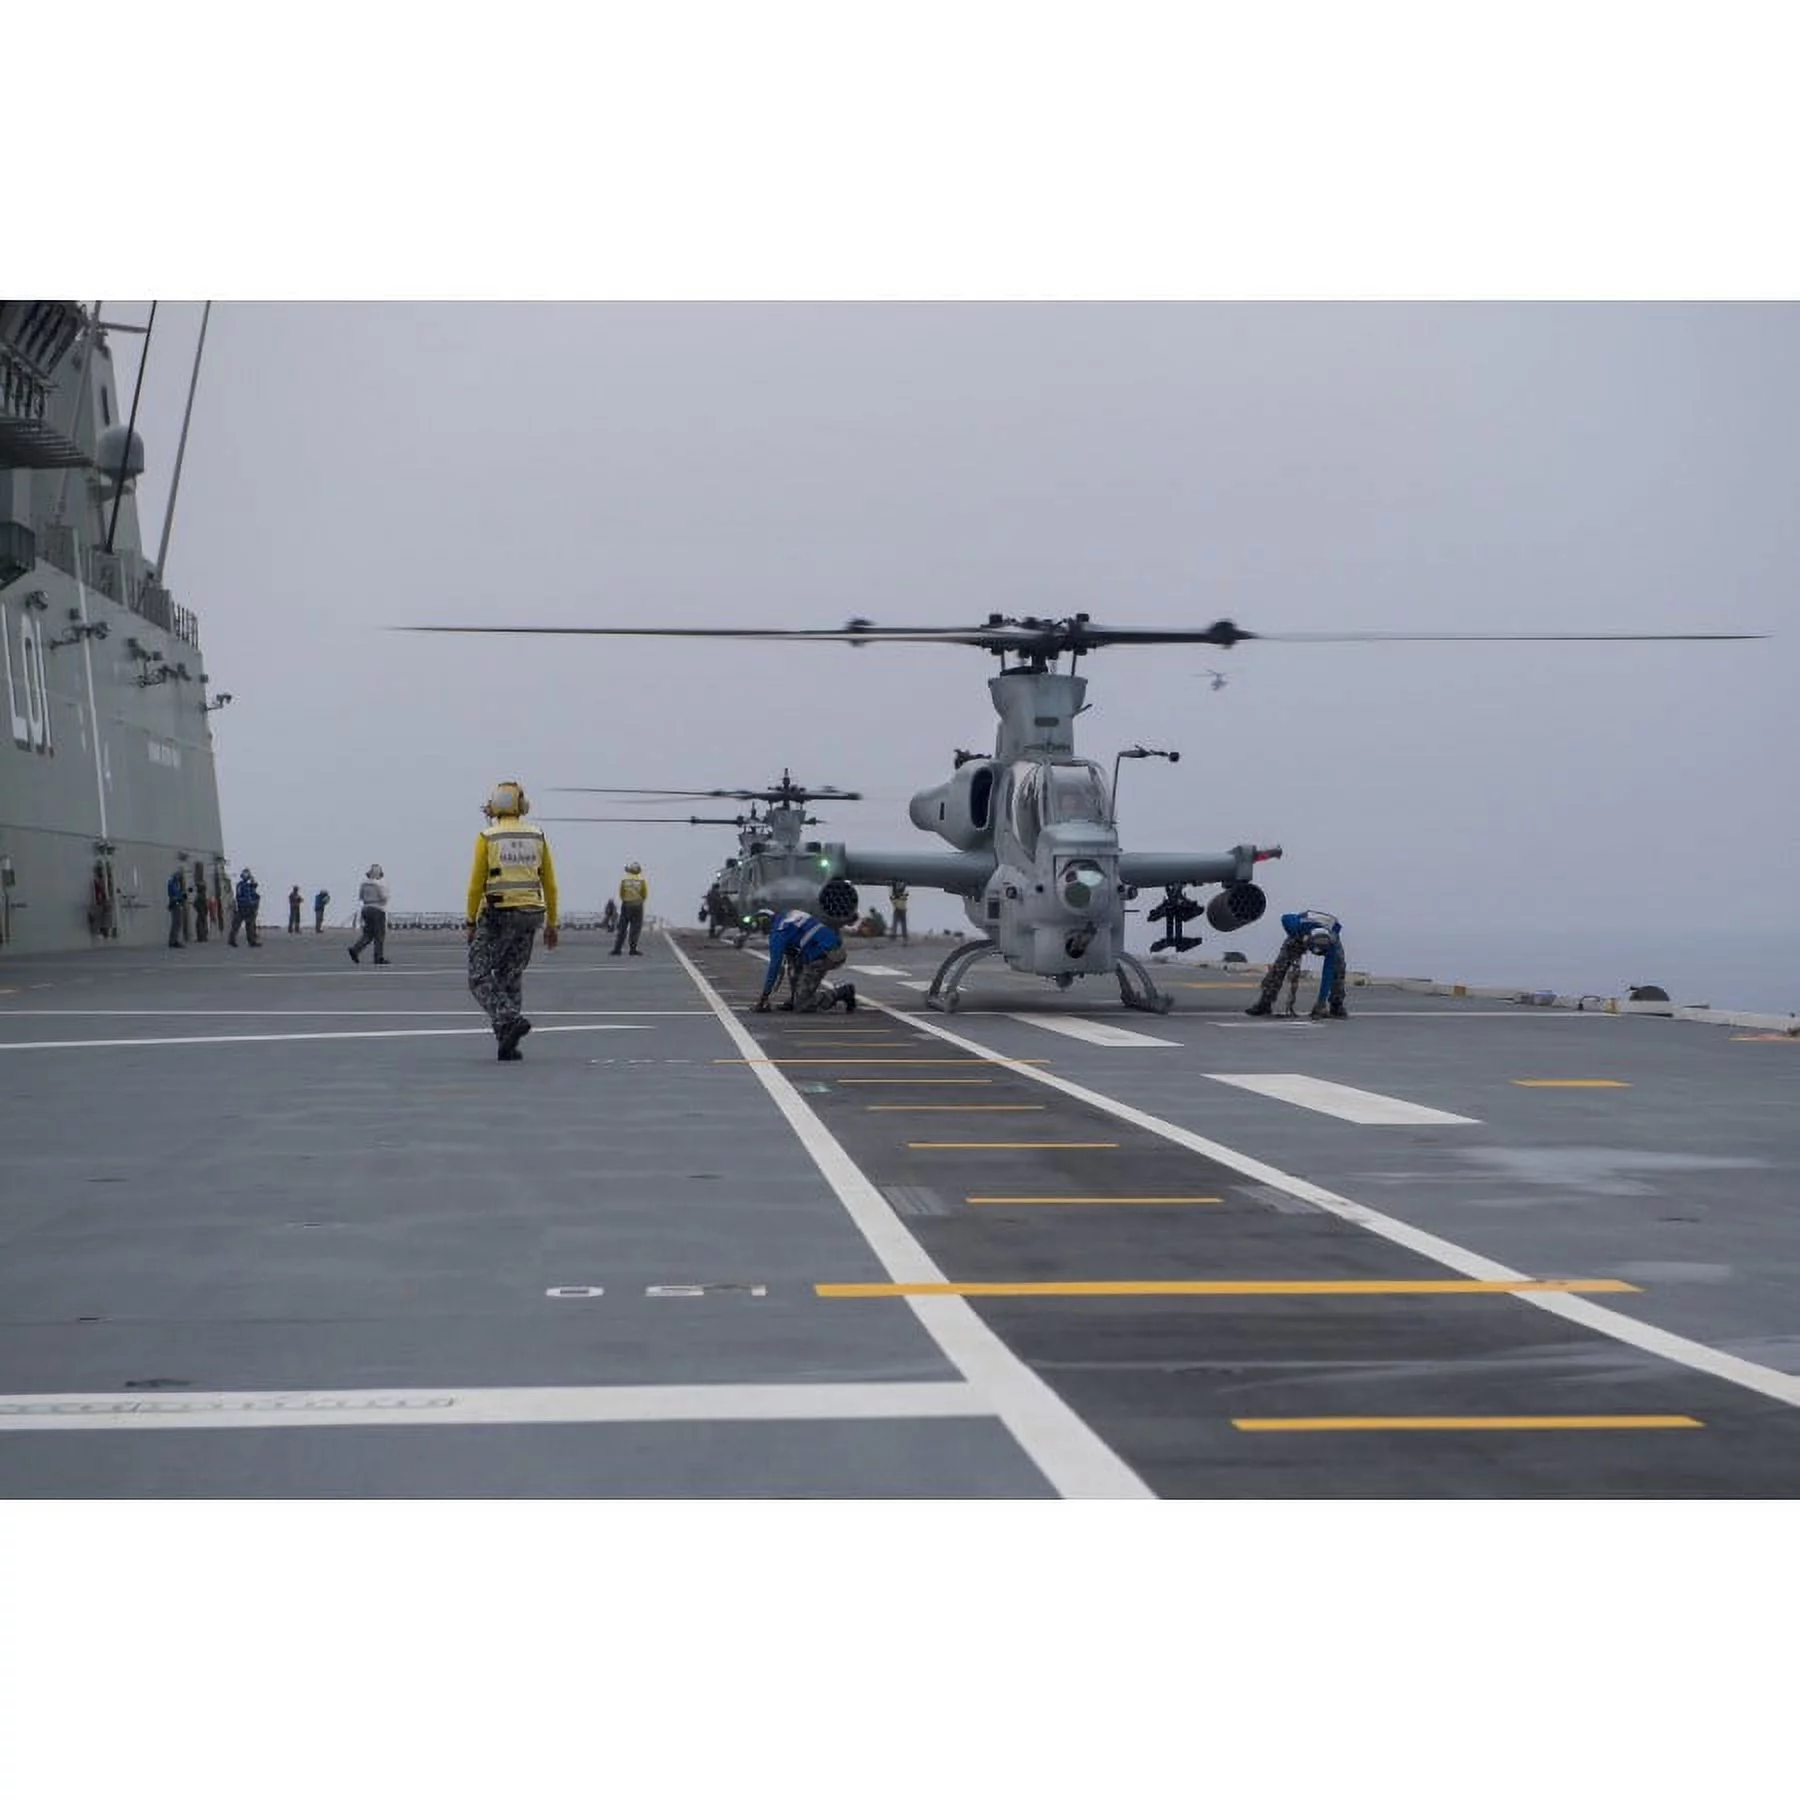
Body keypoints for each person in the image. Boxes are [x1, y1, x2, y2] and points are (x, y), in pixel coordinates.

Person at [466, 779, 558, 1061]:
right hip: (532, 913)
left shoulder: (488, 837)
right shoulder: (537, 835)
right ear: (522, 807)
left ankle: (508, 1018)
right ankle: (507, 1043)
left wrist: (470, 921)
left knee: (479, 975)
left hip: (498, 913)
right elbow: (550, 884)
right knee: (511, 975)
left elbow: (475, 884)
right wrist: (552, 923)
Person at [1246, 909, 1348, 1019]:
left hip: (1323, 936)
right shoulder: (1296, 925)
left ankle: (1336, 1004)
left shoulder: (1332, 944)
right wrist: (1297, 936)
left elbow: (1327, 973)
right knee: (1280, 966)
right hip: (1300, 935)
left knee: (1338, 969)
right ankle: (1264, 1002)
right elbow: (1285, 917)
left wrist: (1321, 1002)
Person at [753, 908, 855, 1014]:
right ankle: (794, 998)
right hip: (832, 948)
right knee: (793, 961)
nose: (761, 930)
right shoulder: (791, 915)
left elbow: (775, 967)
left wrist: (764, 996)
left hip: (826, 955)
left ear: (765, 922)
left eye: (760, 926)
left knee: (803, 1004)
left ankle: (842, 992)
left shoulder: (779, 932)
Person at [347, 864, 391, 965]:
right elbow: (383, 897)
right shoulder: (379, 885)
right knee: (379, 935)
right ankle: (378, 957)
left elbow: (361, 896)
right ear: (379, 873)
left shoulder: (364, 884)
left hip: (366, 909)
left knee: (368, 934)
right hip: (378, 909)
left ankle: (355, 949)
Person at [611, 860, 648, 956]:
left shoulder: (625, 880)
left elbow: (621, 893)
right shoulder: (641, 880)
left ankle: (617, 949)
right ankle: (632, 949)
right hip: (638, 905)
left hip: (626, 904)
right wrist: (640, 901)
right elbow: (644, 894)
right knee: (635, 928)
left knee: (622, 927)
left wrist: (626, 900)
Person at [228, 868, 261, 947]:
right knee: (236, 925)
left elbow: (254, 889)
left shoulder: (249, 886)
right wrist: (248, 902)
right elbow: (239, 896)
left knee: (250, 925)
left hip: (249, 907)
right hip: (242, 907)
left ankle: (252, 941)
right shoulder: (241, 885)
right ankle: (232, 940)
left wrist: (253, 902)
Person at [166, 867, 186, 948]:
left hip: (176, 903)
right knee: (176, 923)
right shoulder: (173, 883)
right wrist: (181, 895)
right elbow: (175, 894)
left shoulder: (175, 883)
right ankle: (173, 941)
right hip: (175, 903)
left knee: (177, 923)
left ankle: (174, 940)